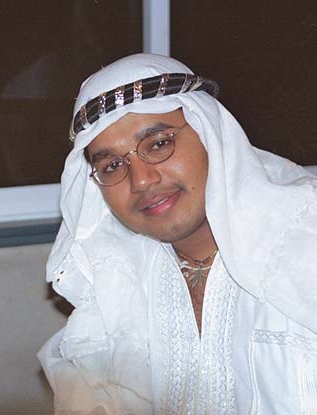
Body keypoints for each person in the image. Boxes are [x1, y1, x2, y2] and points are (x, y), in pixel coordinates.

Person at [38, 53, 317, 414]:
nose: (141, 181)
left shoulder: (305, 243)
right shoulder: (114, 285)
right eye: (112, 165)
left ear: (210, 135)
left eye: (158, 144)